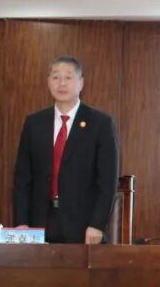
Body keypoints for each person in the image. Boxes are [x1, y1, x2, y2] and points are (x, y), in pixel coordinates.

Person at [12, 55, 119, 244]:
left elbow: (107, 182)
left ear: (81, 83)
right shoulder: (34, 123)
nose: (61, 83)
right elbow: (22, 179)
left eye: (68, 77)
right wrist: (22, 223)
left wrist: (97, 224)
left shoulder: (100, 123)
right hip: (39, 224)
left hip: (83, 227)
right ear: (48, 82)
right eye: (56, 77)